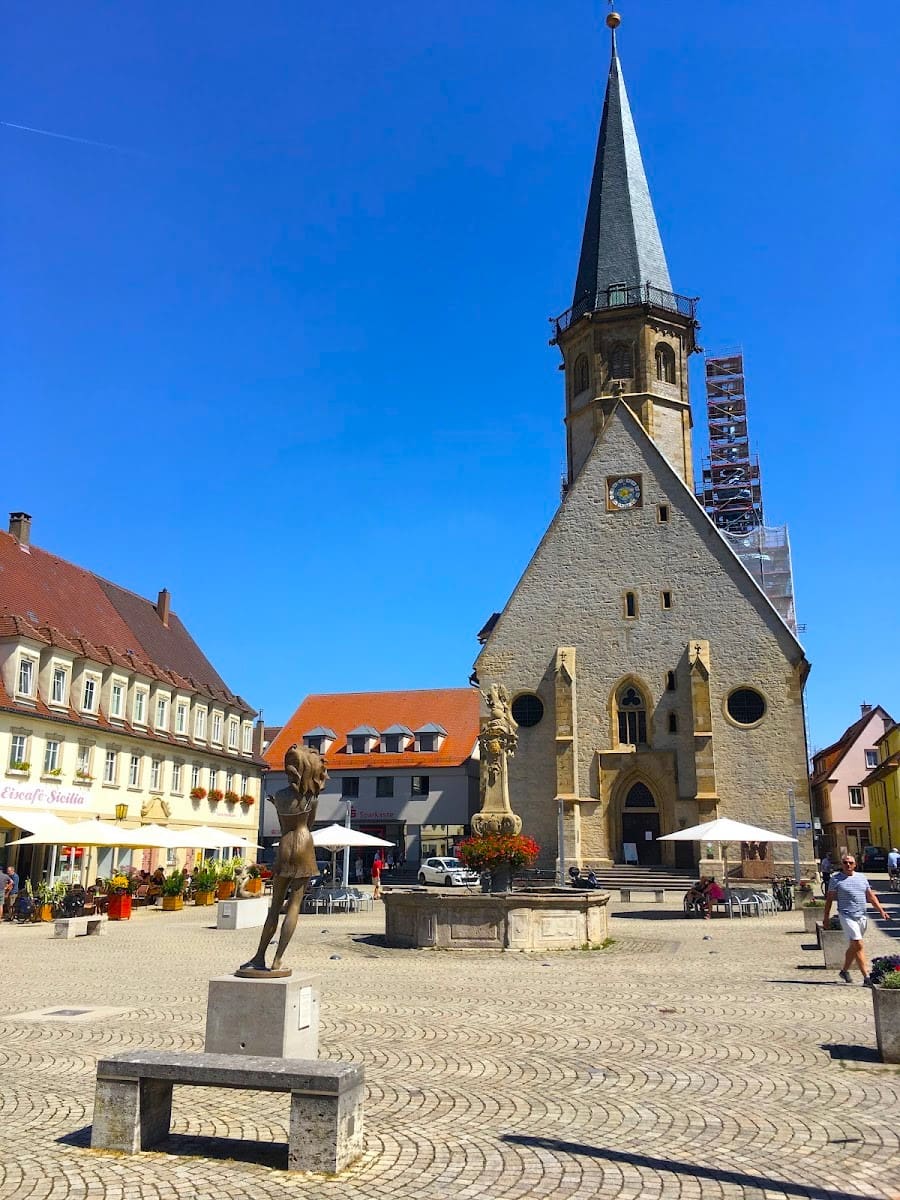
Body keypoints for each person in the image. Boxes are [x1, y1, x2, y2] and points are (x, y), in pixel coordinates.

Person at [822, 853, 893, 985]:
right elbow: (829, 899)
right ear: (841, 865)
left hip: (861, 915)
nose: (848, 865)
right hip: (846, 915)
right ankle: (866, 977)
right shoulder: (836, 879)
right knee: (858, 944)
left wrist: (881, 911)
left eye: (850, 863)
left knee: (854, 946)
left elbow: (871, 896)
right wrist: (826, 917)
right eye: (845, 862)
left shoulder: (861, 878)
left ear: (855, 864)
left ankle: (844, 971)